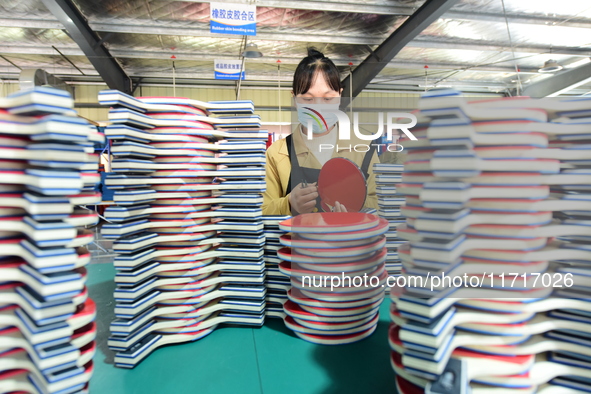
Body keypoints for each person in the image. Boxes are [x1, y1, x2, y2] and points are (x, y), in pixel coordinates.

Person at [262, 48, 379, 216]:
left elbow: (382, 207)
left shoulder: (364, 149)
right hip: (295, 243)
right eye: (308, 99)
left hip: (350, 242)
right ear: (294, 98)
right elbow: (260, 212)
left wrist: (356, 213)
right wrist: (287, 204)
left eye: (328, 98)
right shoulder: (277, 154)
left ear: (339, 95)